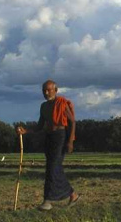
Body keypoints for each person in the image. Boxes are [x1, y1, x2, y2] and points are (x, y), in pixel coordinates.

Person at [16, 80, 80, 211]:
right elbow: (40, 126)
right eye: (44, 90)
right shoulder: (44, 106)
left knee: (53, 167)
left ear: (55, 90)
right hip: (49, 137)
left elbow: (72, 122)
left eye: (49, 90)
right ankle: (73, 195)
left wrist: (71, 141)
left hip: (60, 136)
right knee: (53, 168)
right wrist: (26, 131)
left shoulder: (62, 103)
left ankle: (47, 201)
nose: (46, 93)